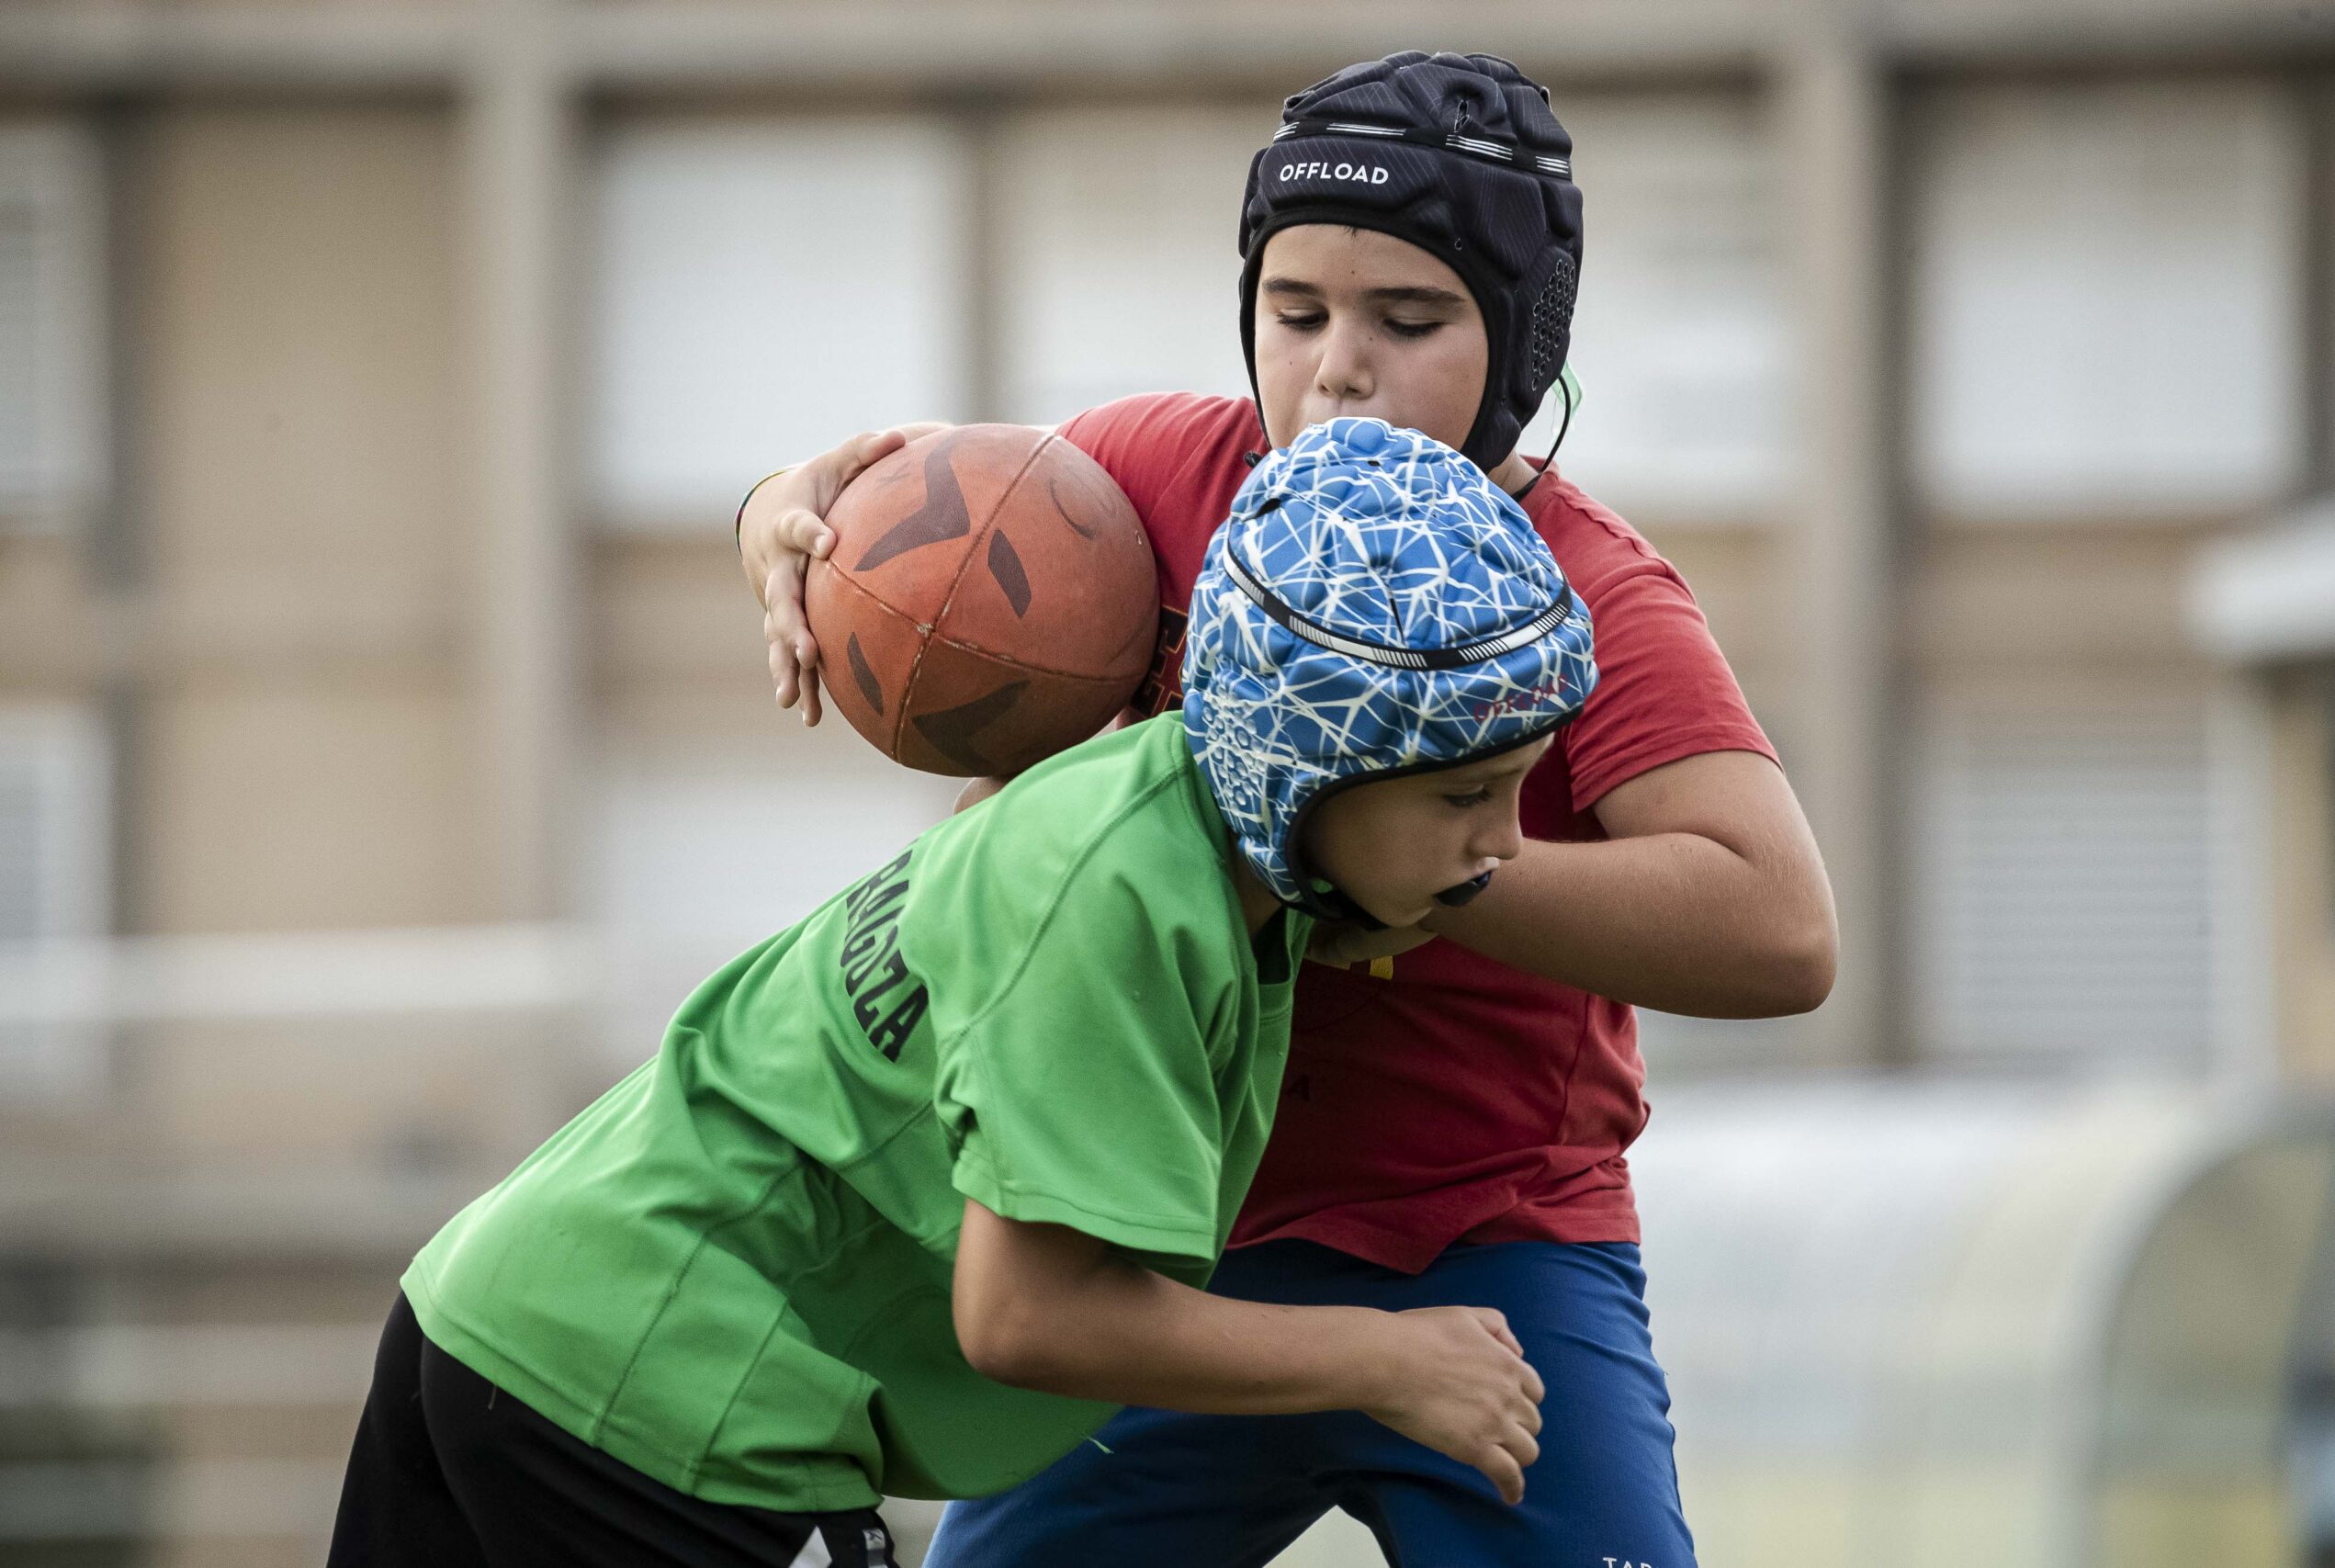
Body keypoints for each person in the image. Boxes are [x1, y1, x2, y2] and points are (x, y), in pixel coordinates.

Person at [736, 51, 1838, 1568]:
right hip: (1177, 1249)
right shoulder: (1147, 489)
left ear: (1523, 345)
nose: (1336, 367)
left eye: (1412, 319)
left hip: (1497, 1254)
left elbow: (1781, 930)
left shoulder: (1588, 590)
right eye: (1294, 309)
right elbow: (865, 487)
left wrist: (1405, 853)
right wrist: (778, 513)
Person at [325, 416, 1595, 1568]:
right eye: (1463, 795)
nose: (1505, 845)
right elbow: (1026, 1314)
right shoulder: (1113, 908)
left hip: (502, 1306)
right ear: (1308, 764)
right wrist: (1385, 1357)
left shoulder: (1146, 815)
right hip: (650, 1386)